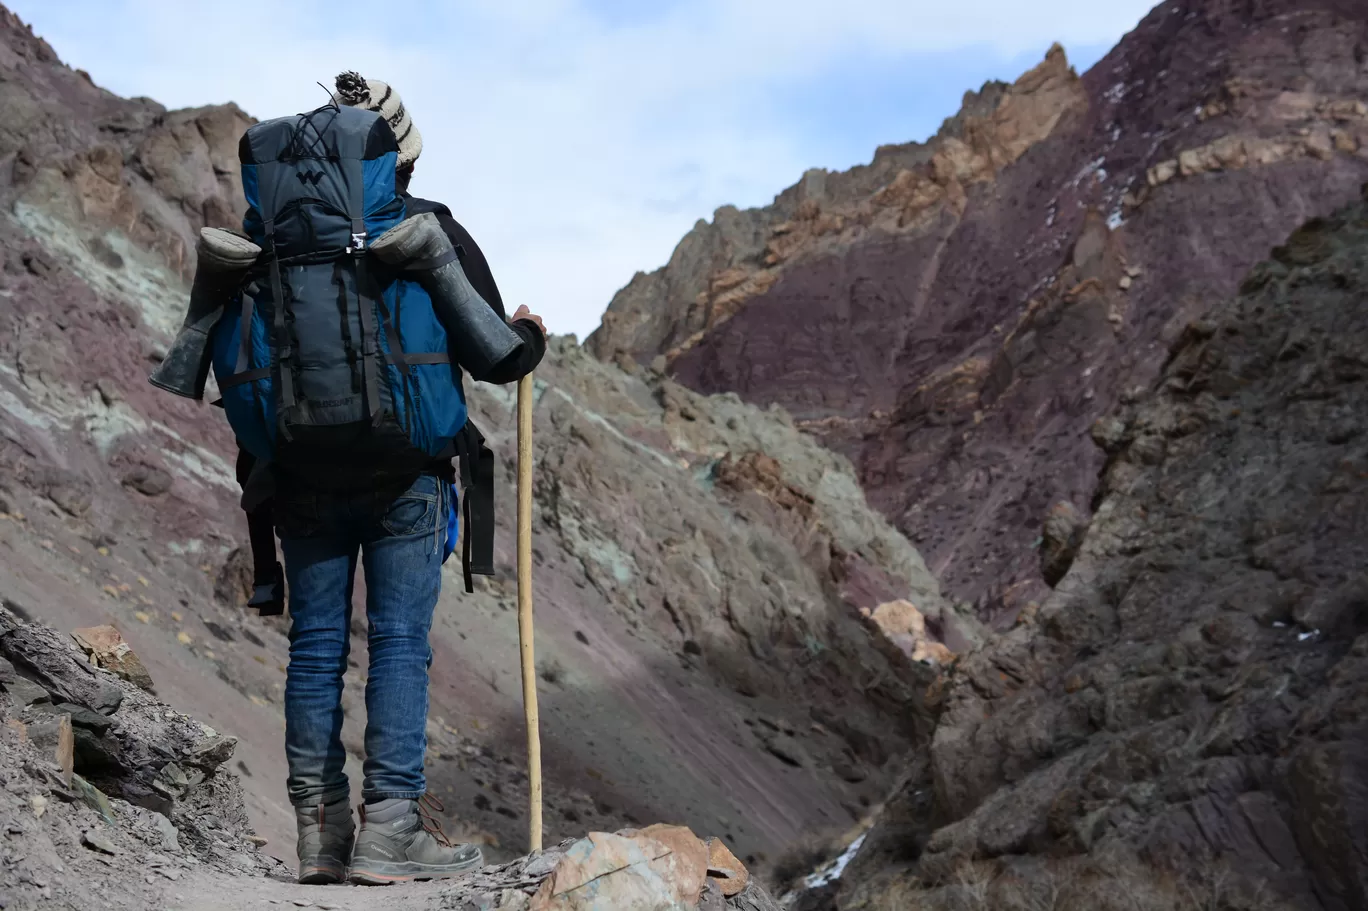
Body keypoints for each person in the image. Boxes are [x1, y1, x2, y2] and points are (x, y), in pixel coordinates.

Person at [280, 72, 546, 886]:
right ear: (401, 156)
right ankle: (390, 830)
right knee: (398, 644)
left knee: (316, 643)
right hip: (408, 480)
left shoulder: (277, 238)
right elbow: (498, 354)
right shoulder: (429, 229)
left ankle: (320, 835)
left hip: (299, 475)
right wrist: (531, 332)